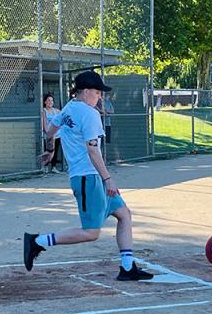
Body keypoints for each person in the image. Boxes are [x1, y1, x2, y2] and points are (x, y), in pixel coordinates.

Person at [24, 71, 153, 281]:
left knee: (123, 214)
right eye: (96, 92)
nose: (99, 96)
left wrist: (50, 152)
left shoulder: (69, 107)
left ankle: (128, 267)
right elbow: (93, 150)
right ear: (84, 92)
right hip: (89, 178)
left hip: (90, 176)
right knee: (91, 233)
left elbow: (50, 131)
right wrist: (107, 179)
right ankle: (37, 242)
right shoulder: (89, 114)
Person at [42, 93, 61, 173]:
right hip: (48, 134)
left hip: (57, 134)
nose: (50, 102)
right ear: (45, 102)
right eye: (48, 100)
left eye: (51, 100)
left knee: (55, 150)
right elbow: (44, 124)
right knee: (48, 151)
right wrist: (49, 133)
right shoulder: (44, 111)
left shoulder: (56, 110)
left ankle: (54, 167)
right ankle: (45, 167)